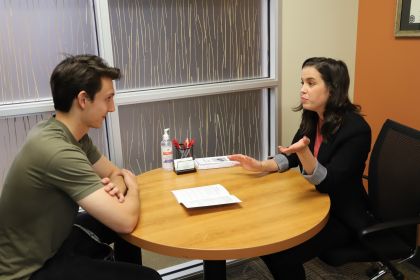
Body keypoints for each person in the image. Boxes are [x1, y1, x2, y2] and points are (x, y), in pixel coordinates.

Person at [0, 55, 162, 280]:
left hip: (51, 241)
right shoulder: (56, 150)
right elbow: (125, 220)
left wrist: (117, 185)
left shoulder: (69, 134)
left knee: (123, 219)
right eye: (108, 99)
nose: (112, 108)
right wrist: (132, 186)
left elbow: (114, 173)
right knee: (148, 277)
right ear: (83, 99)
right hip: (28, 271)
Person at [229, 57, 372, 280]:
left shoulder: (356, 129)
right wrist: (260, 165)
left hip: (342, 216)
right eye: (302, 82)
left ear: (333, 89)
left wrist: (304, 152)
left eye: (311, 83)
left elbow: (329, 182)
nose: (303, 90)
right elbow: (291, 157)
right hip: (314, 205)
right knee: (266, 239)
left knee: (281, 255)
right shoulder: (314, 117)